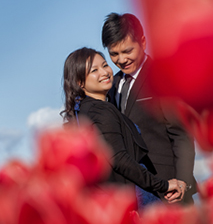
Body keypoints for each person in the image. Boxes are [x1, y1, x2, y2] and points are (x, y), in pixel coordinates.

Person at [62, 47, 186, 207]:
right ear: (80, 82)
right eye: (94, 70)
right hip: (136, 195)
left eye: (105, 65)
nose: (105, 72)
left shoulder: (83, 112)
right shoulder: (100, 110)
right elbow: (118, 159)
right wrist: (163, 185)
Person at [101, 13, 197, 203]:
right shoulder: (111, 86)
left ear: (143, 42)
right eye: (114, 54)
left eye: (127, 51)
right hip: (130, 196)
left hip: (168, 192)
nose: (121, 60)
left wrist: (183, 182)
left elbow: (181, 134)